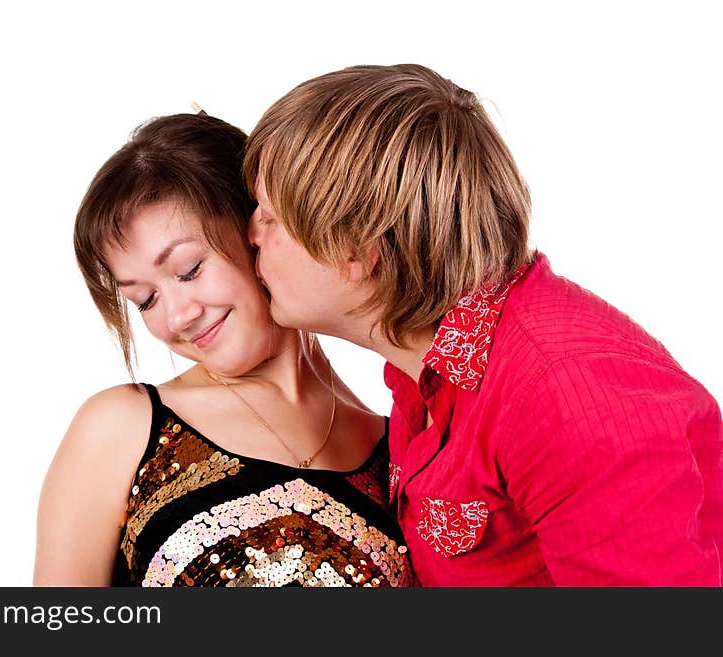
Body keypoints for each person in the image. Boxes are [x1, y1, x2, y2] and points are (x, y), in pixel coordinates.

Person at [243, 64, 723, 586]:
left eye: (269, 216)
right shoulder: (425, 366)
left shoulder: (565, 393)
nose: (250, 233)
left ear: (355, 250)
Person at [32, 112, 414, 587]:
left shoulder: (402, 447)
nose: (177, 317)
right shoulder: (124, 428)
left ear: (259, 228)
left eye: (189, 269)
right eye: (144, 299)